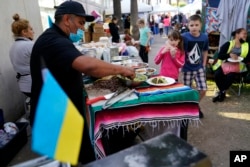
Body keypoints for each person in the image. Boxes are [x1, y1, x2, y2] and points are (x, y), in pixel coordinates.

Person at [30, 1, 135, 165]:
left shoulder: (55, 37)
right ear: (66, 19)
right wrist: (121, 70)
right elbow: (88, 66)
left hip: (63, 111)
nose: (82, 29)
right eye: (80, 23)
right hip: (56, 116)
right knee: (77, 158)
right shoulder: (54, 40)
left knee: (80, 155)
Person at [181, 14, 209, 119]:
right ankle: (187, 108)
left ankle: (195, 105)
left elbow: (205, 50)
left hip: (199, 68)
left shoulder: (204, 37)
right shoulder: (184, 36)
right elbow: (178, 47)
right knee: (187, 90)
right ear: (188, 25)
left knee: (203, 90)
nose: (194, 27)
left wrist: (204, 64)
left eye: (196, 25)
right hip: (187, 68)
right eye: (191, 25)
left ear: (200, 25)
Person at [212, 28, 250, 102]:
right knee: (217, 74)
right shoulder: (229, 44)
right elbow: (220, 56)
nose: (246, 35)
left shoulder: (247, 45)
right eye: (244, 33)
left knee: (231, 75)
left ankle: (221, 93)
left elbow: (249, 58)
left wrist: (240, 58)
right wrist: (229, 55)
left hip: (239, 66)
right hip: (225, 65)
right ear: (237, 34)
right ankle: (222, 92)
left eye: (246, 34)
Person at [9, 13, 34, 97]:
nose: (33, 32)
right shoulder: (30, 45)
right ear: (24, 32)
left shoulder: (13, 46)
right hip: (33, 85)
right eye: (31, 29)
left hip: (23, 86)